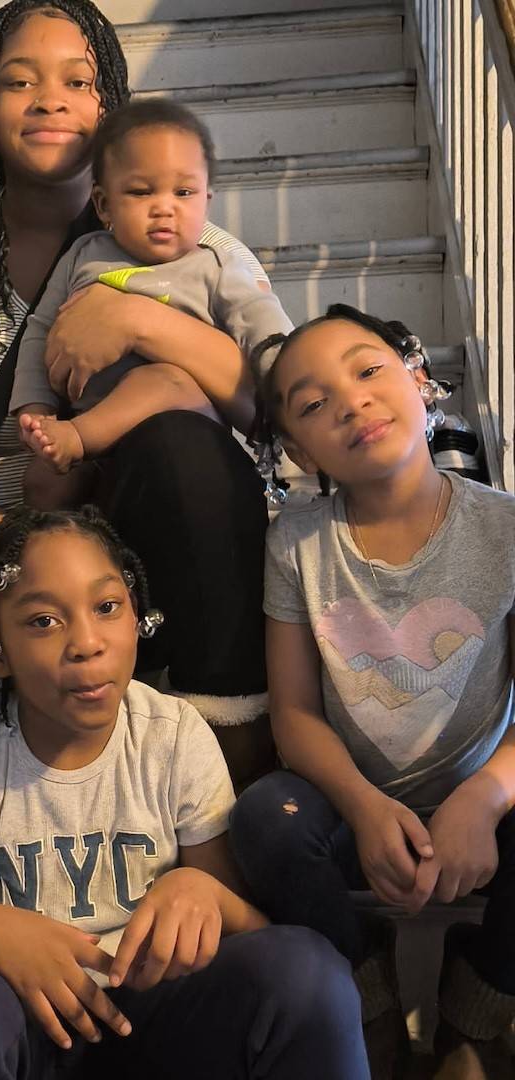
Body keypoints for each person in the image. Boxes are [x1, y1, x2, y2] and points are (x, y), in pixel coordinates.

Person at [0, 0, 282, 906]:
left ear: (111, 102)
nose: (48, 100)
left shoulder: (178, 231)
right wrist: (6, 553)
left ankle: (230, 764)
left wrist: (139, 316)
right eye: (18, 79)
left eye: (78, 79)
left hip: (146, 536)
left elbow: (273, 396)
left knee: (186, 446)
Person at [0, 505, 369, 1080]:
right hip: (19, 1027)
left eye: (107, 607)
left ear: (137, 615)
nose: (87, 643)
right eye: (44, 621)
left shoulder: (172, 736)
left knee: (308, 971)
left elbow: (257, 941)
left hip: (157, 1022)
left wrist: (203, 892)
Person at [229, 304, 515, 1080]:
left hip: (480, 802)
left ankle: (474, 1015)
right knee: (264, 820)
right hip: (355, 809)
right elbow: (292, 713)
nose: (351, 402)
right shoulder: (295, 543)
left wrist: (485, 799)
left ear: (420, 382)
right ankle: (371, 1004)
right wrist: (361, 805)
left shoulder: (504, 530)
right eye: (314, 404)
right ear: (295, 448)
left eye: (368, 370)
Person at [10, 99, 290, 503]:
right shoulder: (84, 254)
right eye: (141, 192)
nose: (164, 208)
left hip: (181, 428)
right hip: (90, 422)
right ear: (104, 204)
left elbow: (261, 324)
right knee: (41, 482)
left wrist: (289, 371)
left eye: (184, 192)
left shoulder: (216, 266)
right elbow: (40, 329)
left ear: (206, 201)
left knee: (161, 380)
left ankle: (81, 441)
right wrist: (34, 405)